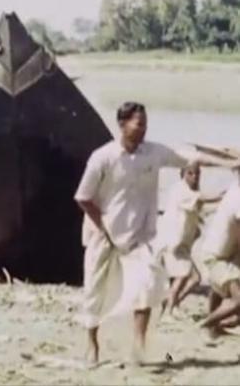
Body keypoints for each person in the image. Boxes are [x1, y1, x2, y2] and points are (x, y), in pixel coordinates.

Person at [74, 101, 240, 365]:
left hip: (140, 237)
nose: (143, 130)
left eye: (146, 124)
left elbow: (193, 158)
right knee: (96, 291)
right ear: (122, 124)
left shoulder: (153, 153)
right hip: (102, 234)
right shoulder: (103, 157)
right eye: (138, 124)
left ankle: (139, 346)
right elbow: (83, 197)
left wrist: (230, 161)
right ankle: (92, 344)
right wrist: (104, 225)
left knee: (147, 286)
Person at [156, 162, 224, 317]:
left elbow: (202, 209)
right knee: (184, 276)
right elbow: (202, 200)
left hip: (182, 246)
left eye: (197, 174)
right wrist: (221, 196)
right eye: (191, 173)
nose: (195, 177)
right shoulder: (180, 190)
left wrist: (222, 204)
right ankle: (169, 310)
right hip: (172, 243)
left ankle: (171, 304)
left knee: (194, 278)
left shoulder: (190, 193)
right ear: (183, 174)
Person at [198, 172, 240, 337]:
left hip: (223, 252)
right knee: (238, 299)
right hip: (217, 256)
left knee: (219, 290)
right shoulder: (238, 198)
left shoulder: (234, 188)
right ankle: (205, 325)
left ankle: (213, 328)